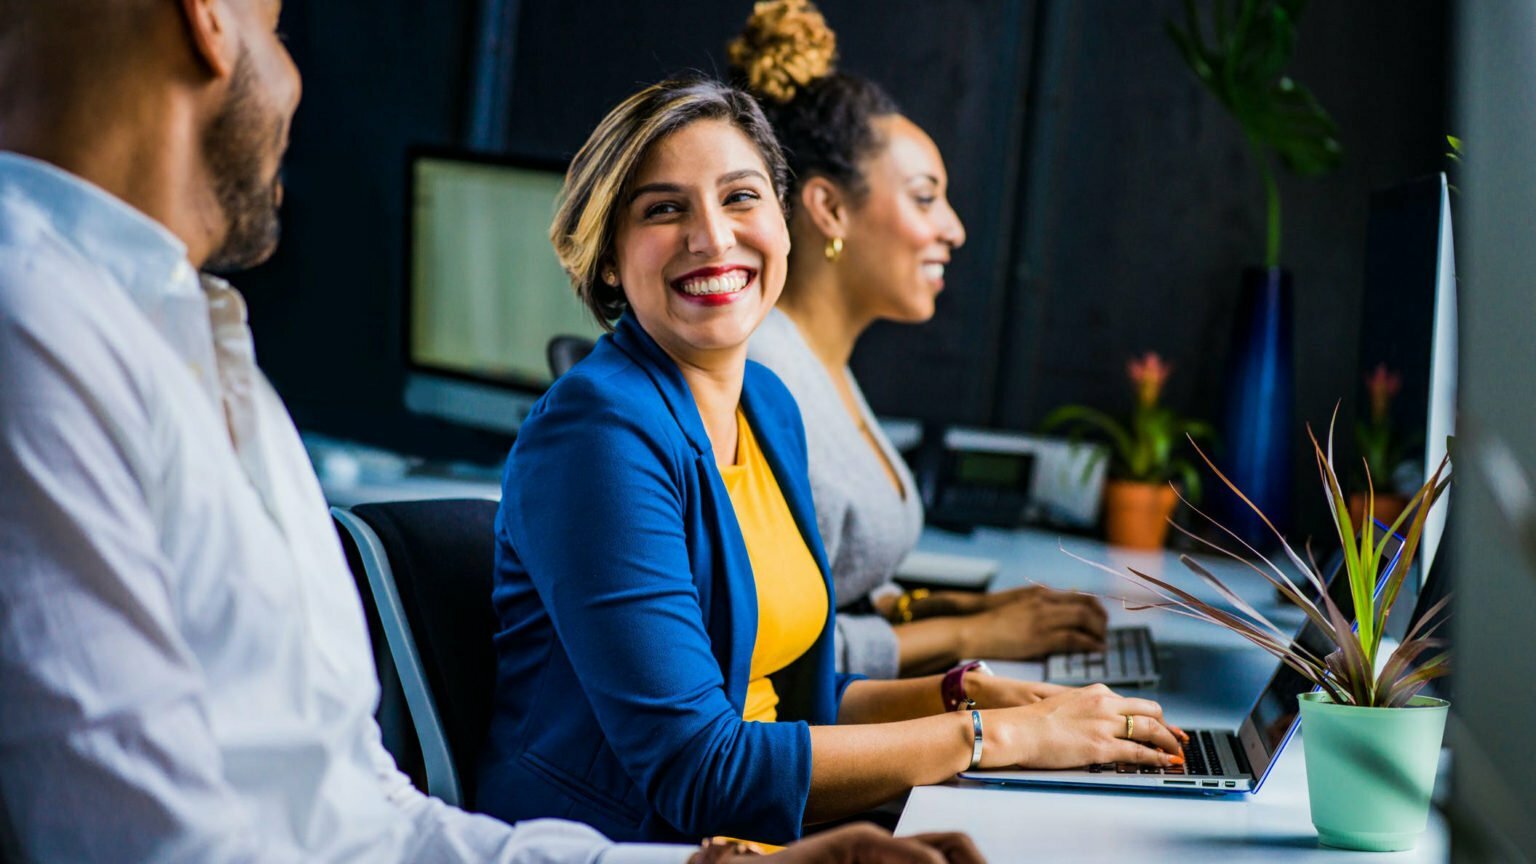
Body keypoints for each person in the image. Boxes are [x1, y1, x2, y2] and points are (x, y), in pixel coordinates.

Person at [0, 2, 980, 862]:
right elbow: (152, 845)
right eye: (280, 25)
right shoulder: (37, 332)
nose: (296, 78)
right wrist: (977, 735)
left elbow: (366, 812)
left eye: (738, 198)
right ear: (208, 17)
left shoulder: (197, 341)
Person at [476, 75, 1186, 847]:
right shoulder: (597, 435)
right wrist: (994, 738)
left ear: (783, 223)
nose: (713, 237)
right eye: (664, 209)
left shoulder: (769, 406)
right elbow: (699, 769)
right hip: (634, 846)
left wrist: (972, 697)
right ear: (609, 259)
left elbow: (793, 703)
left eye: (741, 198)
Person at [735, 0, 1109, 679]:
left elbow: (836, 592)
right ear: (829, 208)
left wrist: (959, 611)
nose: (955, 229)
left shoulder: (822, 365)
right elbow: (777, 657)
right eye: (925, 197)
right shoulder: (767, 379)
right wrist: (974, 635)